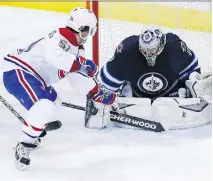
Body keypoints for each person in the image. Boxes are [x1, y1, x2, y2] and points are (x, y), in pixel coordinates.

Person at [1, 7, 98, 170]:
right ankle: (25, 143)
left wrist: (95, 91)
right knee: (44, 105)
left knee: (56, 108)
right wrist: (81, 65)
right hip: (19, 70)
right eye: (88, 31)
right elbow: (55, 57)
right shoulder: (62, 36)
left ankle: (34, 127)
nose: (89, 36)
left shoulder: (78, 49)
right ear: (82, 29)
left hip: (36, 77)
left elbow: (76, 79)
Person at [85, 27, 212, 131]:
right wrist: (100, 98)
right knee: (122, 90)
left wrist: (193, 83)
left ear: (161, 44)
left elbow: (192, 68)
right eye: (145, 49)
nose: (148, 53)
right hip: (137, 96)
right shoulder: (127, 50)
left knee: (193, 82)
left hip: (172, 93)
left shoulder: (174, 47)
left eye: (152, 49)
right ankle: (127, 94)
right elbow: (105, 82)